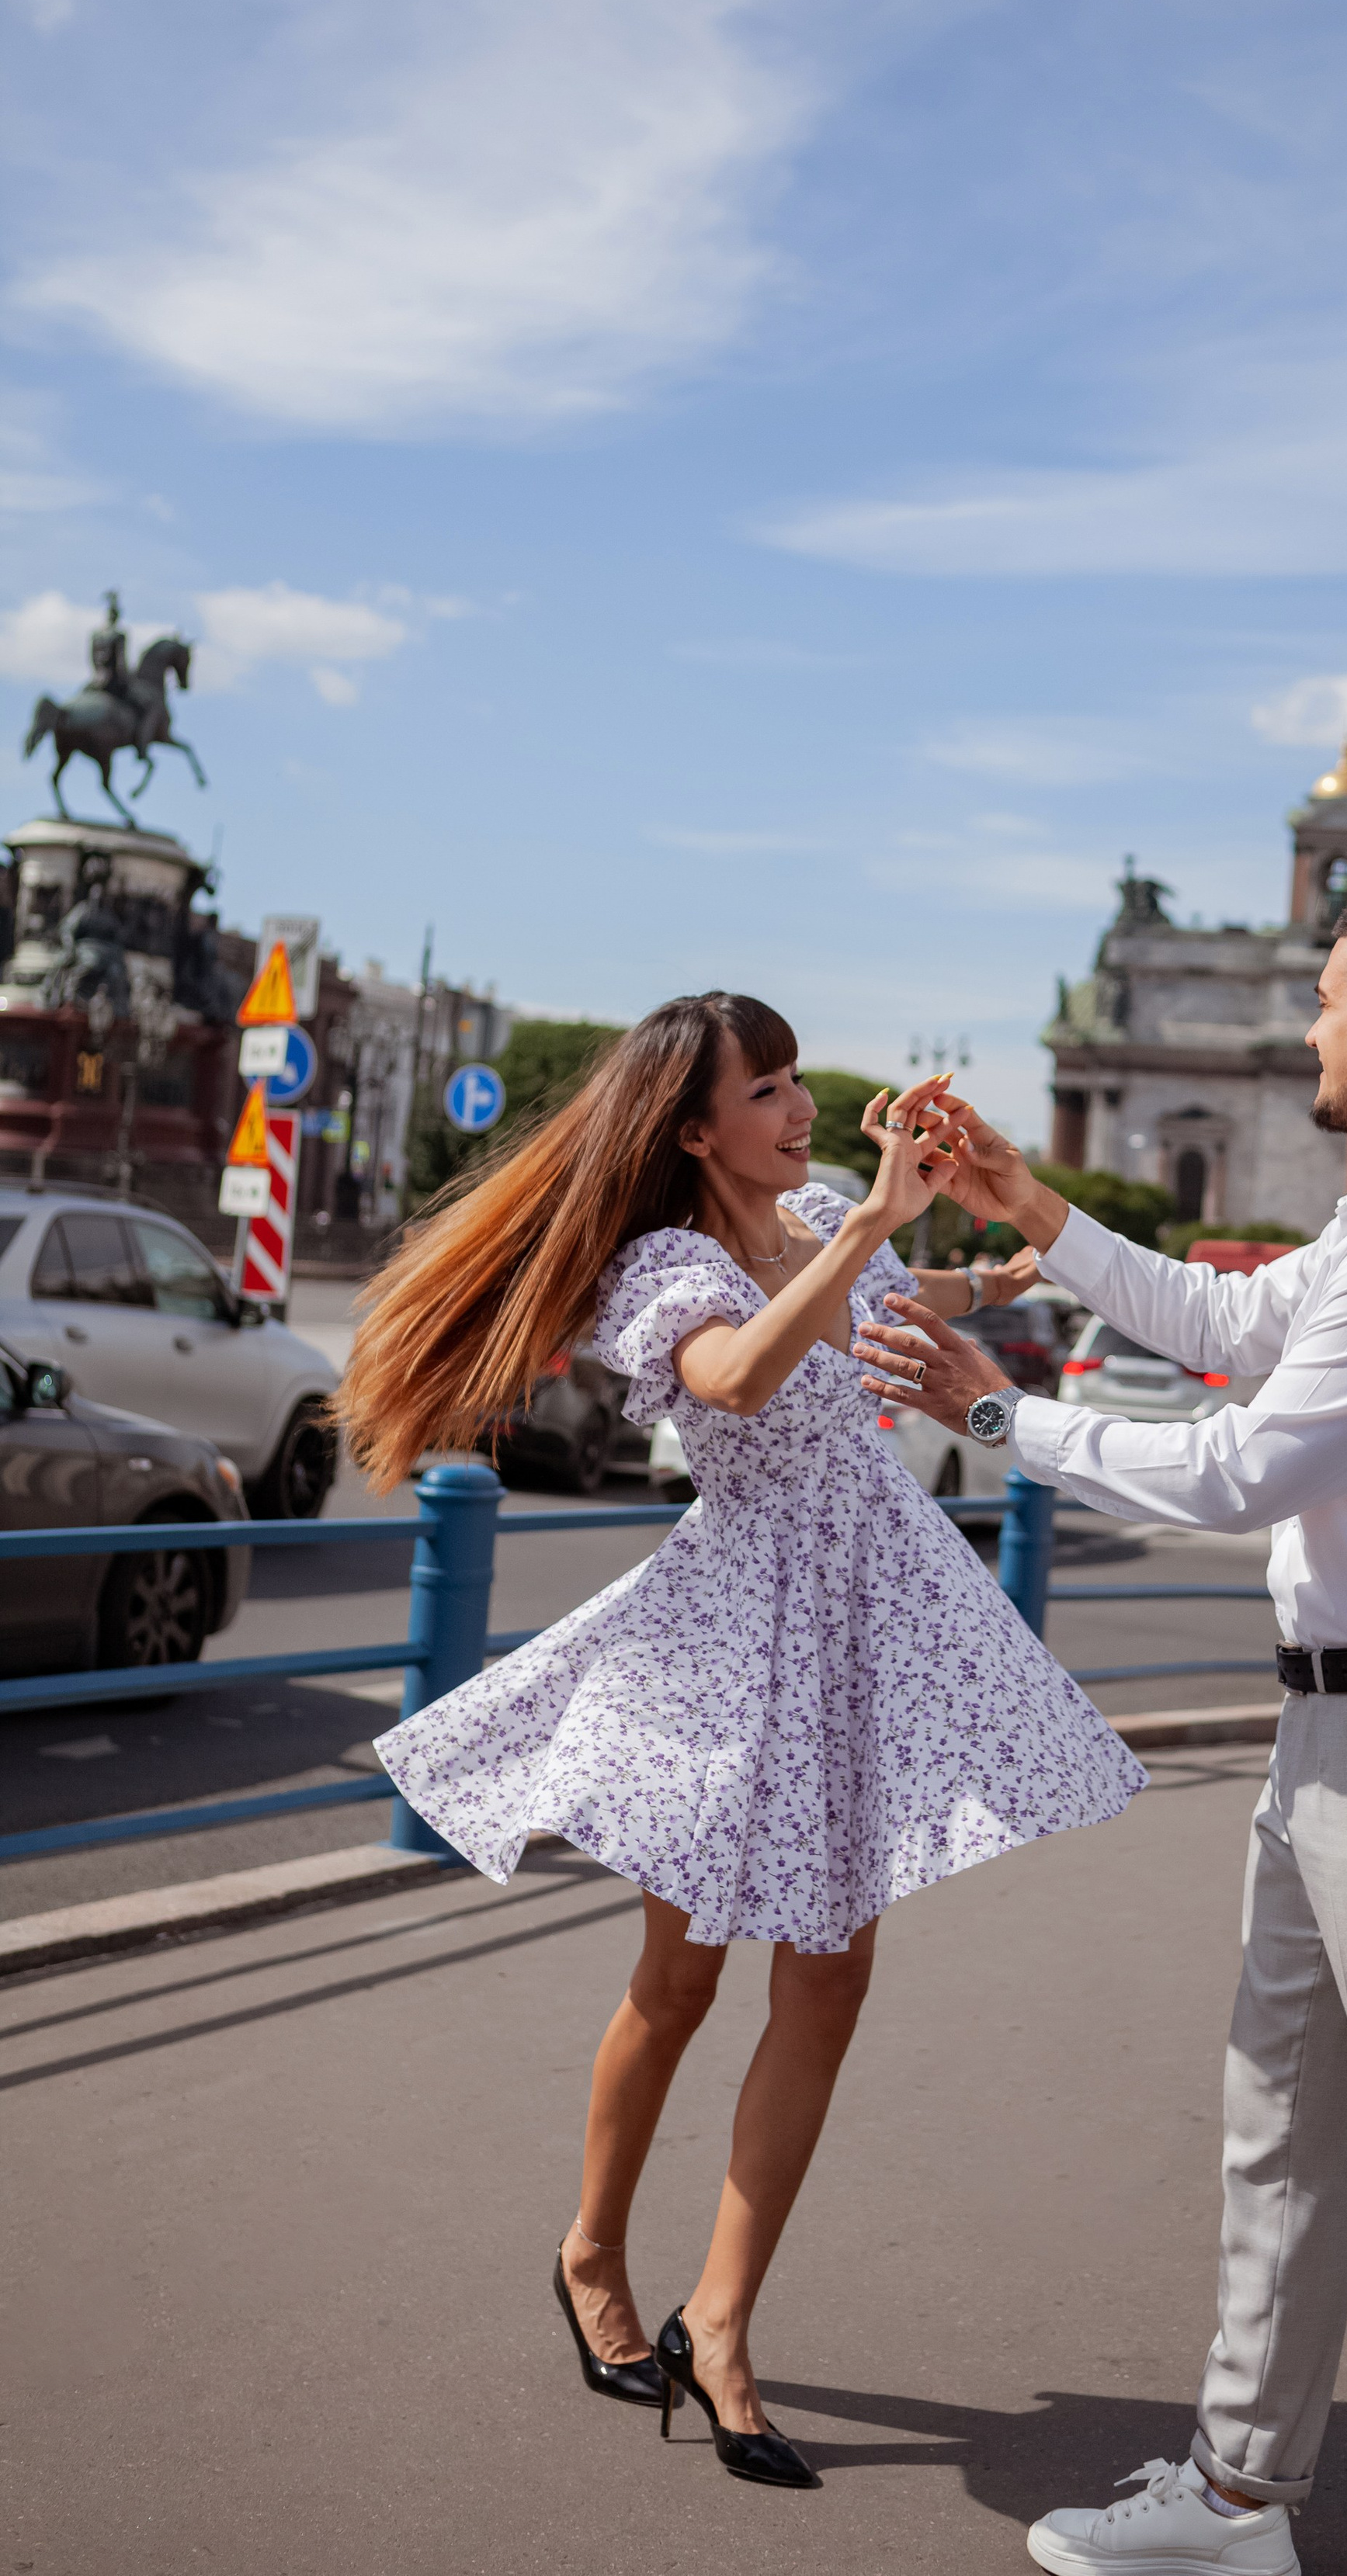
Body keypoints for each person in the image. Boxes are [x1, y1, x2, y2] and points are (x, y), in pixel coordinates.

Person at [854, 879, 1347, 2576]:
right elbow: (1219, 1322)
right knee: (1278, 2131)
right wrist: (1023, 1202)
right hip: (1344, 1740)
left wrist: (995, 1415)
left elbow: (1244, 1467)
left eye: (1330, 1001)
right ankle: (1242, 2500)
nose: (1310, 1026)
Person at [337, 993, 1143, 2491]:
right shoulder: (669, 1265)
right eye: (765, 1089)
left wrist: (990, 1266)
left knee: (831, 1983)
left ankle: (723, 2323)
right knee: (682, 1975)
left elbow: (899, 1307)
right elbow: (734, 1378)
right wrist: (862, 1236)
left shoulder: (834, 1212)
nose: (800, 1108)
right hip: (735, 1639)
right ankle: (590, 2253)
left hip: (866, 1615)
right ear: (695, 1128)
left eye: (793, 1079)